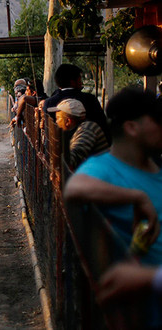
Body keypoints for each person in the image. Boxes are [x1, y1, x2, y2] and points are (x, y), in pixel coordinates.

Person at [63, 87, 162, 265]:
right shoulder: (103, 168)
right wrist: (136, 197)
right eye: (158, 120)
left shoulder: (157, 167)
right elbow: (73, 188)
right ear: (132, 127)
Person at [42, 63, 108, 140]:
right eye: (80, 79)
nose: (81, 82)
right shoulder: (90, 99)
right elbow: (103, 126)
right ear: (73, 81)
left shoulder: (49, 103)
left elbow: (47, 130)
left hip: (55, 148)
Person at [48, 98, 109, 170]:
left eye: (58, 118)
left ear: (68, 121)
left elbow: (72, 160)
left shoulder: (87, 129)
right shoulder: (79, 129)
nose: (57, 122)